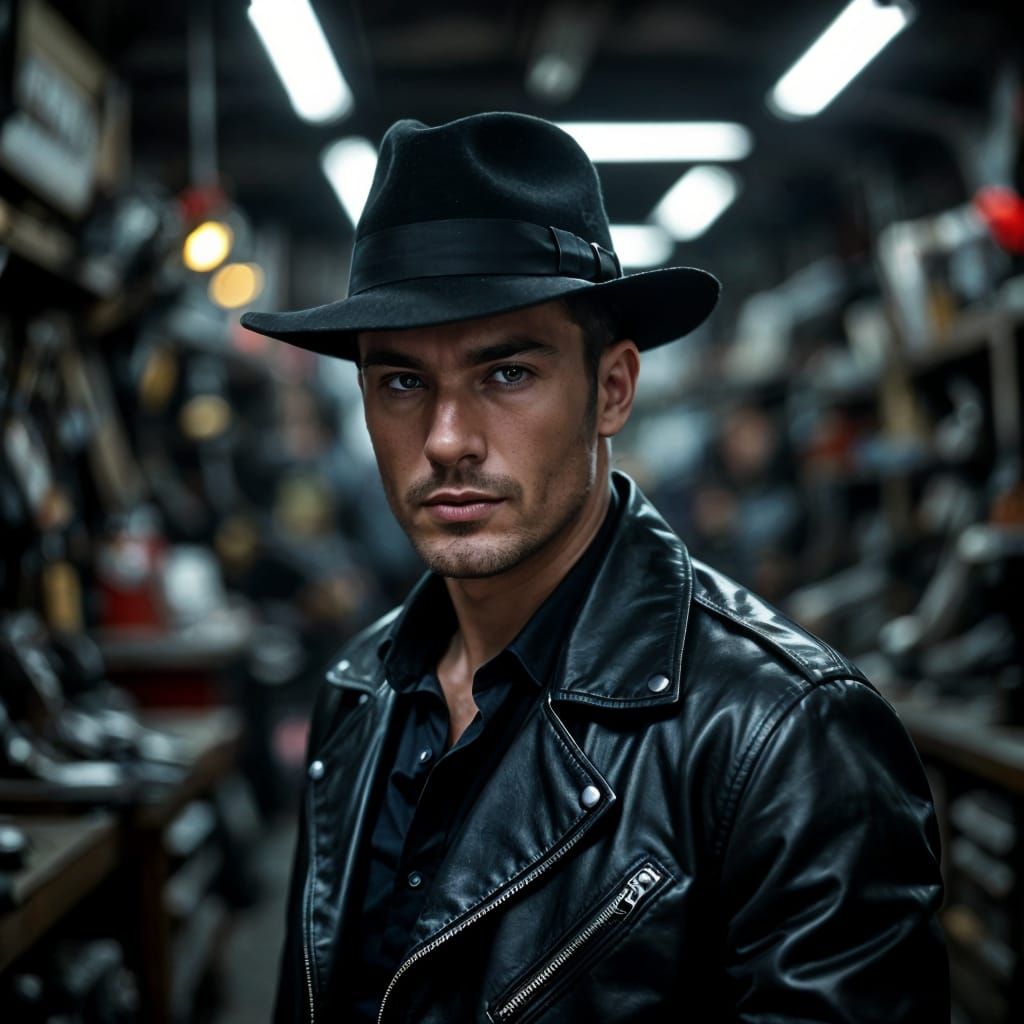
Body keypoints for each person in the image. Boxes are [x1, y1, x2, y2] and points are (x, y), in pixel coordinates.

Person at [241, 112, 948, 1024]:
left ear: (612, 388)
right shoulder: (359, 692)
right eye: (402, 382)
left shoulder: (785, 739)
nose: (447, 441)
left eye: (506, 374)